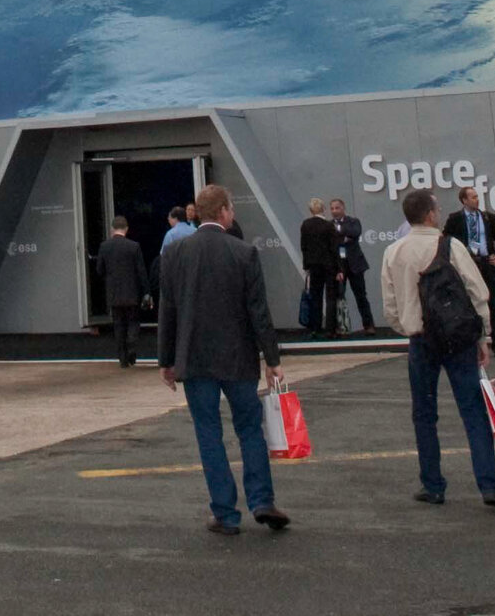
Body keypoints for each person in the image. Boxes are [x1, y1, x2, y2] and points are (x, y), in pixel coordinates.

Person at [156, 182, 289, 534]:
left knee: (208, 433)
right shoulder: (244, 253)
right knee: (250, 429)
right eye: (232, 209)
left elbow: (167, 311)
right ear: (225, 212)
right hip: (238, 359)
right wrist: (272, 359)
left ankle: (226, 513)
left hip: (195, 360)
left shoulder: (174, 253)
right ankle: (262, 501)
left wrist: (166, 361)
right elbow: (258, 312)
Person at [382, 188, 495, 510]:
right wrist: (482, 335)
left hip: (421, 341)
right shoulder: (451, 246)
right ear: (429, 214)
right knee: (472, 411)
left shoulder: (394, 252)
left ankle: (433, 485)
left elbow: (390, 306)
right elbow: (477, 291)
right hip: (458, 340)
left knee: (424, 414)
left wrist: (409, 327)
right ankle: (489, 485)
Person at [442, 185, 495, 356]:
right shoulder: (455, 219)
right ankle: (469, 342)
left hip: (486, 263)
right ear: (464, 200)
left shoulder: (488, 218)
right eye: (472, 197)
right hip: (467, 264)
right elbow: (446, 239)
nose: (476, 199)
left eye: (477, 196)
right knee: (467, 303)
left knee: (492, 303)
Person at [95, 214, 149, 368]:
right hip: (132, 292)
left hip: (114, 293)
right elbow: (141, 271)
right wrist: (146, 291)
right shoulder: (134, 246)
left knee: (118, 325)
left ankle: (123, 359)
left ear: (112, 229)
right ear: (127, 229)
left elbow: (99, 270)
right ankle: (132, 345)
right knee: (133, 322)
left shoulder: (104, 246)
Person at [330, 198, 376, 334]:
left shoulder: (353, 221)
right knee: (338, 297)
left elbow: (355, 232)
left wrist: (339, 233)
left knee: (361, 296)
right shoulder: (329, 225)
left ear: (343, 208)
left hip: (355, 264)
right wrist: (344, 237)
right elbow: (332, 240)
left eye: (337, 208)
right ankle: (339, 327)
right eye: (332, 209)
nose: (334, 211)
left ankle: (369, 325)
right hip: (339, 266)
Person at [299, 199, 341, 338]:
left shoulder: (305, 225)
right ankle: (331, 329)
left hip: (314, 266)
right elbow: (335, 249)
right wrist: (340, 269)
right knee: (330, 297)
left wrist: (306, 266)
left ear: (311, 210)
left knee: (316, 297)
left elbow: (303, 247)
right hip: (329, 266)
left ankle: (315, 328)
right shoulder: (329, 226)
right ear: (323, 209)